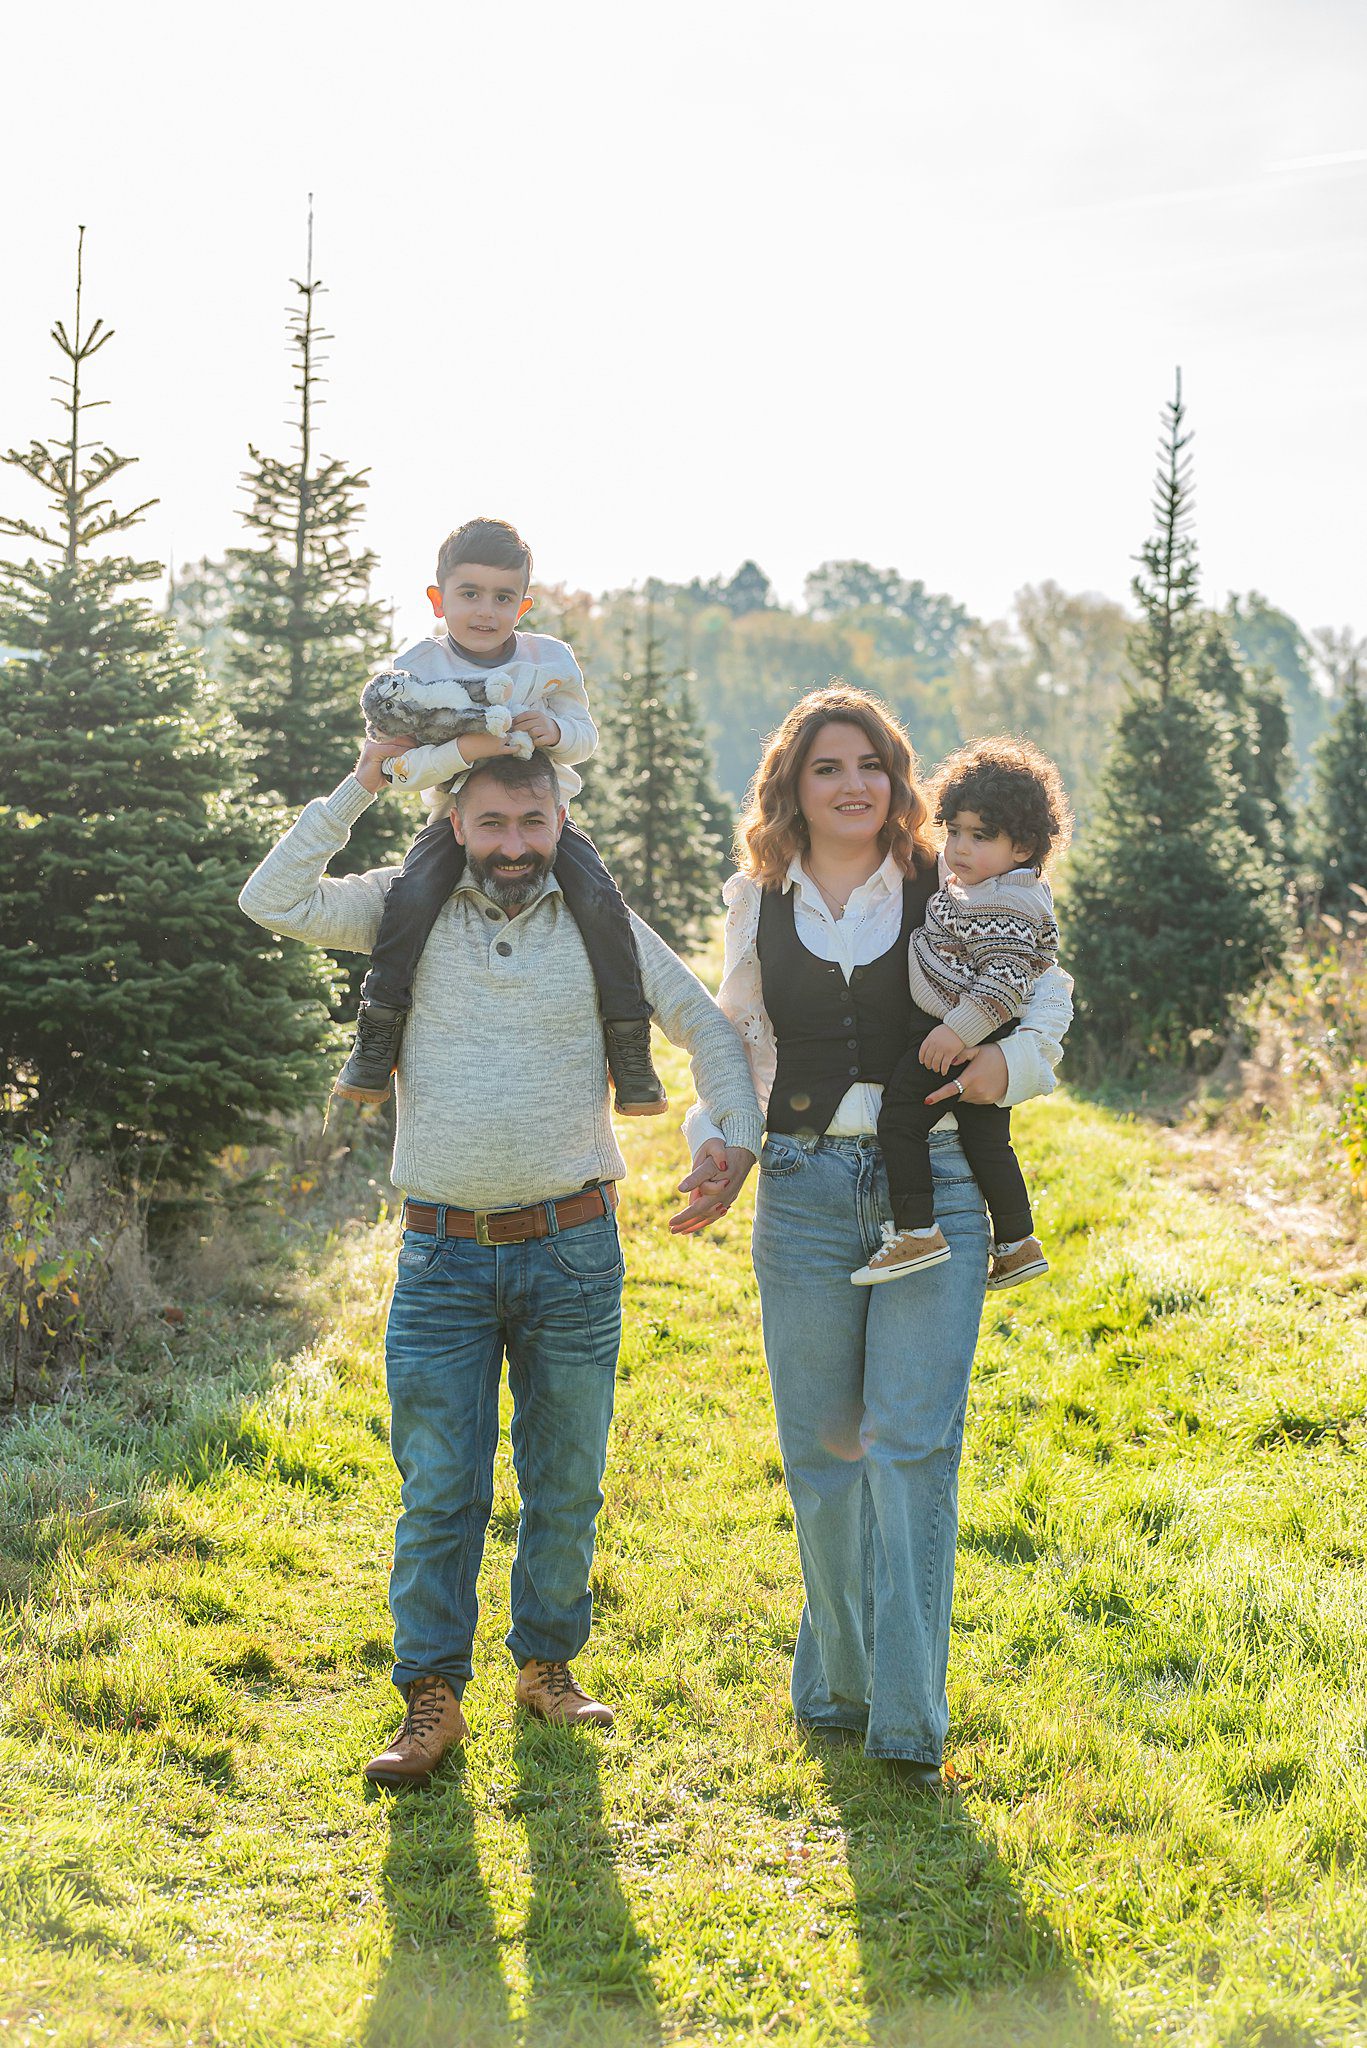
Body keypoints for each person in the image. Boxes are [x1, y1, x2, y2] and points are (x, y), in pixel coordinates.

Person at [239, 742, 761, 1788]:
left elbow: (703, 1021)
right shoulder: (402, 904)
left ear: (559, 820)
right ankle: (429, 1696)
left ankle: (547, 1666)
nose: (515, 845)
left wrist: (733, 1138)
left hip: (572, 1247)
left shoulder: (599, 919)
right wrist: (365, 777)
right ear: (454, 824)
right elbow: (272, 896)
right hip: (439, 1251)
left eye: (533, 823)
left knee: (565, 1479)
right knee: (439, 1487)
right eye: (492, 825)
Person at [679, 687, 1072, 1786]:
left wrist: (1005, 1067)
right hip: (800, 1187)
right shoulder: (753, 899)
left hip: (932, 1182)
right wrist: (718, 1138)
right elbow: (736, 1034)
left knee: (909, 1446)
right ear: (791, 787)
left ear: (897, 780)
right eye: (825, 765)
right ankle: (837, 1680)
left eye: (870, 764)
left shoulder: (947, 881)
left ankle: (905, 1711)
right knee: (821, 1454)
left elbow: (1043, 997)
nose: (851, 783)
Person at [332, 515, 668, 1117]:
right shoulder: (418, 668)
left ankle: (629, 1044)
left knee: (598, 900)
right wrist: (474, 749)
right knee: (411, 898)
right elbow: (405, 762)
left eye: (503, 597)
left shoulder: (550, 658)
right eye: (469, 594)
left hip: (542, 819)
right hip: (455, 818)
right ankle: (377, 1035)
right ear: (438, 599)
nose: (485, 611)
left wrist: (556, 730)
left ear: (524, 603)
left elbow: (585, 736)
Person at [853, 735, 1070, 1289]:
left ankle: (917, 1229)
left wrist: (954, 1032)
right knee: (986, 1140)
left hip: (953, 1035)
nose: (959, 848)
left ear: (1023, 847)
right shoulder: (988, 889)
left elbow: (1004, 982)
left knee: (901, 1121)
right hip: (970, 1032)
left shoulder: (1007, 901)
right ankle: (1018, 1241)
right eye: (953, 831)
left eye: (981, 836)